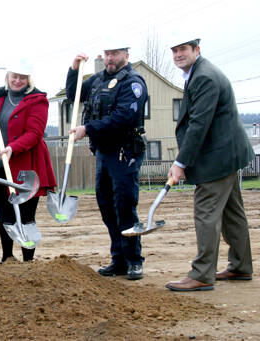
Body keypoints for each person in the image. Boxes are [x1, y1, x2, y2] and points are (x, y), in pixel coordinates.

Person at [165, 38, 254, 292]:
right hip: (226, 153)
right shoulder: (199, 74)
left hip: (218, 157)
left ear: (197, 50)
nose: (178, 54)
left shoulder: (204, 77)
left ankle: (202, 273)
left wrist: (180, 162)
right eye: (175, 50)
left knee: (206, 212)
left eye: (183, 49)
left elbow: (199, 124)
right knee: (232, 213)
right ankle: (240, 266)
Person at [68, 44, 148, 280]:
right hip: (103, 152)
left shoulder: (133, 83)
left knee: (124, 205)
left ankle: (134, 260)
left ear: (126, 55)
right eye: (107, 54)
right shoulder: (97, 80)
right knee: (106, 206)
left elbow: (124, 117)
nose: (110, 58)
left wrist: (88, 128)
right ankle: (119, 260)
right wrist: (74, 71)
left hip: (124, 152)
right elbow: (74, 97)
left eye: (115, 54)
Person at [0, 59, 56, 263]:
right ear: (8, 76)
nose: (17, 81)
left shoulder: (37, 100)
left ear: (29, 79)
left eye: (22, 77)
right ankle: (7, 258)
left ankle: (28, 260)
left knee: (26, 216)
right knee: (5, 216)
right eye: (14, 76)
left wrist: (13, 148)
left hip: (26, 168)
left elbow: (35, 133)